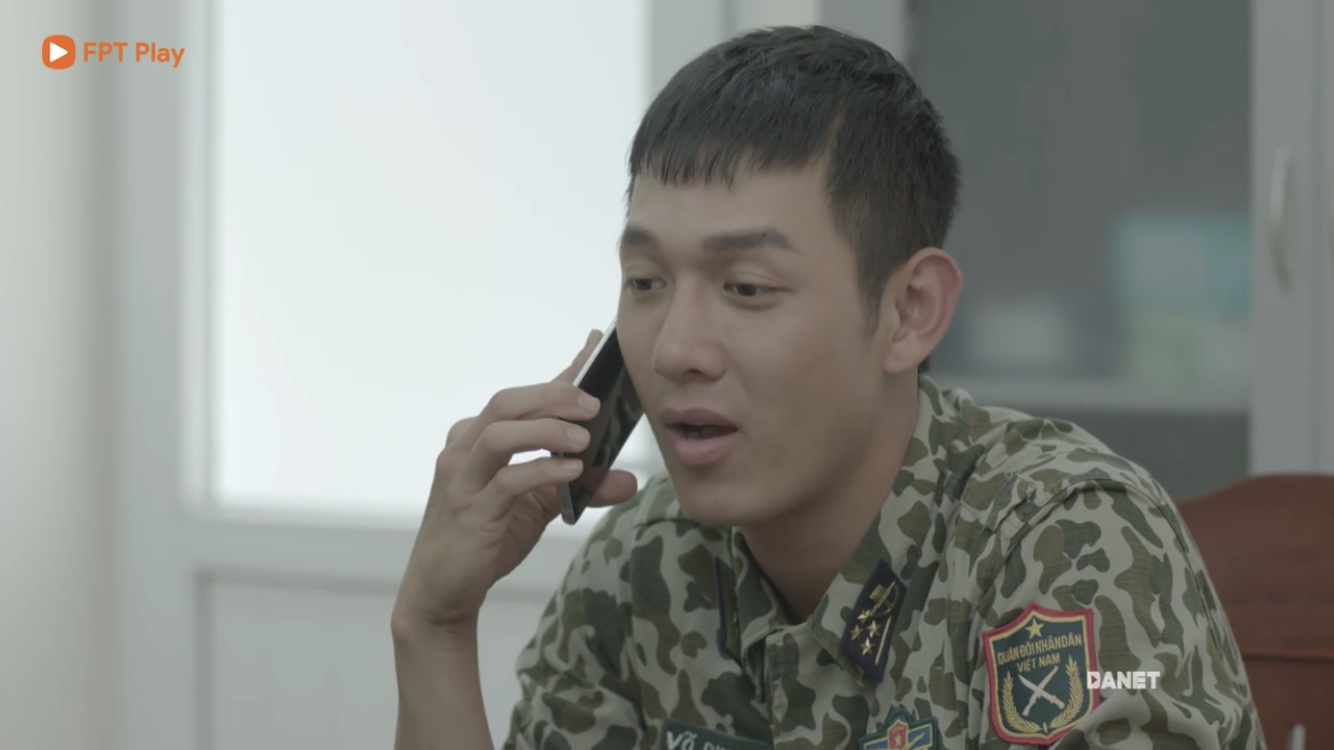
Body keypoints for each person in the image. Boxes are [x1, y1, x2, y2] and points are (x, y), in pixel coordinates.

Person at [391, 25, 1264, 750]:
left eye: (746, 288)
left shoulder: (1061, 541)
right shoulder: (637, 568)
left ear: (908, 312)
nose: (676, 350)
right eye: (646, 282)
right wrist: (434, 629)